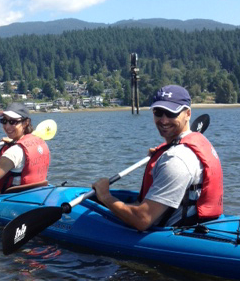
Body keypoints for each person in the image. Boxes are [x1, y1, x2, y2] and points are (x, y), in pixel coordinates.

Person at [92, 85, 223, 231]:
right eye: (158, 112)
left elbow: (142, 220)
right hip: (195, 222)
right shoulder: (183, 148)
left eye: (171, 113)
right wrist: (161, 155)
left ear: (188, 114)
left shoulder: (177, 161)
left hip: (174, 233)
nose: (164, 120)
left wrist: (105, 196)